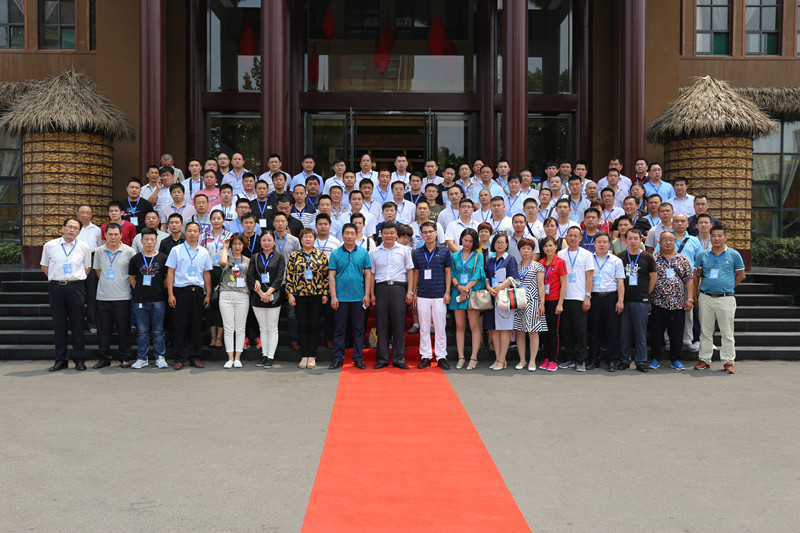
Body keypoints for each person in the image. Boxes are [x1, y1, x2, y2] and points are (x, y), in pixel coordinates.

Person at [42, 218, 93, 371]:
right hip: (56, 288)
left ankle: (79, 360)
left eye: (76, 228)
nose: (72, 230)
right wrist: (58, 277)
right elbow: (44, 266)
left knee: (77, 324)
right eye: (69, 227)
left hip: (75, 288)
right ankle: (60, 360)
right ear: (63, 228)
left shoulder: (84, 247)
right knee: (59, 325)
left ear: (79, 231)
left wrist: (73, 279)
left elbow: (87, 267)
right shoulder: (50, 246)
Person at [693, 225, 745, 374]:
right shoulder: (703, 255)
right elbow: (697, 276)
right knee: (705, 331)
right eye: (713, 236)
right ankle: (704, 359)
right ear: (710, 237)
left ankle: (728, 361)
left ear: (725, 237)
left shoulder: (734, 254)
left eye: (719, 236)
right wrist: (696, 295)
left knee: (727, 332)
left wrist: (728, 286)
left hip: (725, 298)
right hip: (705, 297)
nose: (716, 238)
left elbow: (741, 275)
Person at [369, 223, 414, 369]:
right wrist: (371, 293)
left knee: (398, 325)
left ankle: (398, 359)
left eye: (392, 233)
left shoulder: (404, 250)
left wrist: (410, 291)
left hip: (399, 288)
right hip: (381, 288)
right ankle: (382, 359)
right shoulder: (374, 252)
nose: (389, 235)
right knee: (381, 325)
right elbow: (372, 274)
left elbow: (410, 271)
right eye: (386, 233)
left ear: (396, 234)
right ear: (381, 234)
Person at [328, 223, 372, 370]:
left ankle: (358, 358)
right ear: (342, 235)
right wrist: (333, 296)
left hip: (359, 298)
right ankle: (338, 358)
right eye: (346, 233)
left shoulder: (363, 253)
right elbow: (332, 276)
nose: (349, 236)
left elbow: (367, 275)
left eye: (352, 233)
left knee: (359, 330)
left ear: (356, 235)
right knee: (339, 329)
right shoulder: (335, 254)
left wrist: (367, 294)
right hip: (341, 298)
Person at [648, 231, 695, 371]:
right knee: (656, 332)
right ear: (659, 243)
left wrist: (690, 299)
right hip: (657, 302)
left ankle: (675, 359)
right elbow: (648, 280)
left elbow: (689, 280)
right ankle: (655, 359)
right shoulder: (653, 259)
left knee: (677, 333)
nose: (668, 242)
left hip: (677, 303)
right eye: (665, 240)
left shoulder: (682, 259)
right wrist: (648, 299)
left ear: (675, 242)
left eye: (671, 240)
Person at [92, 223, 135, 369]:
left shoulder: (129, 251)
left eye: (116, 234)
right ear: (105, 235)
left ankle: (124, 358)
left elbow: (132, 274)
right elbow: (98, 272)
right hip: (103, 297)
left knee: (124, 331)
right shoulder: (99, 251)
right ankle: (104, 358)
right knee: (103, 331)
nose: (113, 237)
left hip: (122, 297)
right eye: (110, 234)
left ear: (121, 235)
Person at [410, 222, 452, 369]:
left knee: (440, 327)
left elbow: (448, 272)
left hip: (440, 294)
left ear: (436, 233)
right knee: (424, 327)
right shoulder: (417, 253)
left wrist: (447, 292)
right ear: (421, 235)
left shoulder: (445, 251)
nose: (428, 234)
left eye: (430, 231)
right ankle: (425, 355)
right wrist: (414, 292)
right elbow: (416, 273)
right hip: (422, 294)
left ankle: (441, 356)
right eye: (425, 232)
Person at [285, 228, 329, 369]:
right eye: (305, 237)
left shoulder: (321, 256)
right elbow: (289, 276)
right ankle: (304, 355)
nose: (308, 239)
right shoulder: (294, 256)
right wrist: (290, 294)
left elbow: (326, 276)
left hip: (316, 295)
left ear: (314, 239)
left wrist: (325, 293)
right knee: (303, 325)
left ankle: (312, 355)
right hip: (300, 295)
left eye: (310, 237)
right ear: (301, 240)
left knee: (314, 325)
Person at [128, 228, 169, 369]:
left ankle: (160, 357)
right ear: (141, 241)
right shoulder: (135, 259)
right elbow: (132, 278)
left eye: (152, 239)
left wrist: (158, 289)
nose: (149, 242)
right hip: (140, 299)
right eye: (146, 239)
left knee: (158, 331)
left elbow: (166, 278)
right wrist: (140, 290)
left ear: (156, 241)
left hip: (158, 299)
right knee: (142, 331)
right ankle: (142, 358)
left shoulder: (163, 258)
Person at [617, 229, 657, 372]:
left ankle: (641, 361)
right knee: (624, 332)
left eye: (636, 238)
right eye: (630, 238)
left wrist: (647, 293)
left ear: (641, 240)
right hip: (624, 300)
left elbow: (653, 278)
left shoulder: (647, 257)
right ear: (626, 240)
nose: (633, 241)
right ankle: (624, 360)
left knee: (641, 333)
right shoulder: (620, 257)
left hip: (641, 300)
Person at [556, 227, 593, 372]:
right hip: (563, 297)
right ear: (566, 237)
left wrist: (587, 297)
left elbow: (589, 277)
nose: (572, 238)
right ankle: (570, 358)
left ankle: (581, 359)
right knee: (566, 331)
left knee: (581, 331)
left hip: (579, 297)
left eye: (575, 236)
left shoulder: (587, 254)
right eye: (570, 235)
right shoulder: (561, 254)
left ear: (580, 238)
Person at [586, 232, 625, 371]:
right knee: (594, 330)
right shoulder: (589, 259)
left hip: (611, 297)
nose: (602, 244)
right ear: (594, 244)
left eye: (605, 242)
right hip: (594, 297)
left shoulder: (616, 260)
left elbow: (620, 282)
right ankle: (593, 359)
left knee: (612, 330)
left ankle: (612, 360)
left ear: (609, 244)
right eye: (599, 242)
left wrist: (620, 301)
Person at [247, 231, 285, 367]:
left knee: (272, 328)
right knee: (263, 328)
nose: (267, 243)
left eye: (269, 240)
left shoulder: (279, 257)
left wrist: (268, 293)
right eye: (264, 240)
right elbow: (250, 276)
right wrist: (261, 294)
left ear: (274, 242)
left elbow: (279, 278)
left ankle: (270, 356)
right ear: (260, 242)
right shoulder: (255, 257)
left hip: (273, 296)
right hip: (258, 297)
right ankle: (264, 354)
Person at [448, 228, 485, 370]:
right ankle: (461, 357)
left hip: (472, 292)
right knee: (460, 326)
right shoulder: (454, 256)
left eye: (471, 241)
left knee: (474, 326)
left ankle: (474, 357)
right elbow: (451, 273)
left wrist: (466, 289)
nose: (467, 243)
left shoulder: (478, 255)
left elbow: (477, 274)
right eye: (465, 240)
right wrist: (459, 288)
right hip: (457, 292)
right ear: (461, 239)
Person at [484, 233, 519, 371]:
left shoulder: (510, 259)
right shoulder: (490, 260)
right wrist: (489, 288)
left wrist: (499, 287)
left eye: (502, 242)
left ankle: (502, 359)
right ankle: (498, 358)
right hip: (492, 296)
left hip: (504, 296)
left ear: (506, 245)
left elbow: (513, 278)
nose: (499, 244)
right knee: (494, 330)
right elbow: (486, 278)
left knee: (503, 329)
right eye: (497, 242)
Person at [217, 233, 251, 368]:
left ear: (243, 245)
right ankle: (229, 357)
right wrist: (225, 247)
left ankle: (238, 357)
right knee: (229, 328)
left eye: (240, 244)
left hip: (242, 295)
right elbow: (223, 263)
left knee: (240, 328)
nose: (237, 246)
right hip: (226, 294)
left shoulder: (248, 260)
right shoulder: (227, 257)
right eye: (234, 244)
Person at [200, 210, 232, 348]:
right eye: (213, 218)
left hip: (225, 272)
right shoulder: (204, 237)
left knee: (223, 305)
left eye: (219, 218)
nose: (216, 221)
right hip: (208, 271)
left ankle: (220, 337)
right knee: (210, 303)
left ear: (224, 220)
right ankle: (213, 336)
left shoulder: (230, 236)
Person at [513, 238, 547, 371]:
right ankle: (522, 360)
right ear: (519, 250)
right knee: (520, 332)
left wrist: (542, 303)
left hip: (533, 300)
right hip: (519, 301)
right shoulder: (516, 265)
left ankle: (532, 360)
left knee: (533, 332)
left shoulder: (537, 265)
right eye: (523, 248)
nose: (526, 251)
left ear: (533, 250)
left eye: (528, 249)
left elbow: (541, 285)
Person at [271, 212, 302, 350]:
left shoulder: (294, 240)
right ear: (273, 223)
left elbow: (299, 260)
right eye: (277, 221)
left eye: (282, 221)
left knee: (292, 313)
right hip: (273, 282)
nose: (280, 224)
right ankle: (272, 340)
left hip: (290, 282)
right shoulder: (268, 239)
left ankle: (294, 339)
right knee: (272, 313)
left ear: (287, 223)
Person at [538, 236, 566, 371]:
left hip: (554, 300)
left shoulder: (560, 262)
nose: (548, 248)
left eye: (551, 245)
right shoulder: (540, 263)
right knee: (544, 331)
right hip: (542, 301)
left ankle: (554, 359)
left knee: (553, 332)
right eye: (545, 246)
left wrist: (560, 303)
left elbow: (564, 284)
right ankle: (546, 358)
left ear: (556, 246)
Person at [76, 205, 102, 333]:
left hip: (92, 260)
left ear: (92, 215)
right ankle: (78, 323)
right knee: (77, 294)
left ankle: (92, 323)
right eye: (82, 213)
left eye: (88, 213)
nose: (85, 215)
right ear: (77, 214)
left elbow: (99, 247)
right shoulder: (74, 229)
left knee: (92, 295)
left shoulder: (97, 230)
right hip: (76, 261)